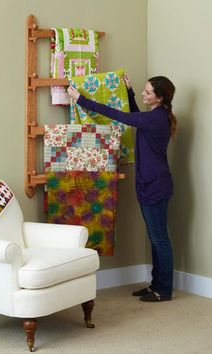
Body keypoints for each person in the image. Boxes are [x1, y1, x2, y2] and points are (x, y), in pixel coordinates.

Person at [67, 74, 177, 302]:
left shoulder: (156, 119)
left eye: (148, 92)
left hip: (156, 185)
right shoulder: (156, 116)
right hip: (152, 183)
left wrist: (80, 100)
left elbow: (119, 115)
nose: (145, 94)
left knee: (159, 239)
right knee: (154, 237)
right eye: (144, 91)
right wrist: (130, 92)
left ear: (160, 97)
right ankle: (156, 284)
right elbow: (138, 117)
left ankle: (163, 290)